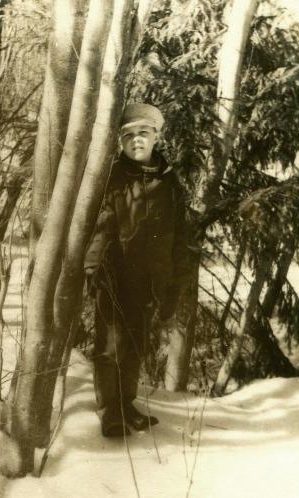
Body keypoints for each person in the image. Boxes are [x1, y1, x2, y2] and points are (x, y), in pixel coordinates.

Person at [84, 103, 190, 437]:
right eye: (128, 136)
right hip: (115, 279)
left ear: (156, 137)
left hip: (150, 281)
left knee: (136, 346)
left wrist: (174, 284)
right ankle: (110, 412)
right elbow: (100, 227)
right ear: (120, 142)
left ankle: (126, 404)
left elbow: (181, 237)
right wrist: (93, 270)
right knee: (110, 348)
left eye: (143, 133)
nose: (136, 141)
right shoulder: (112, 178)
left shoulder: (169, 183)